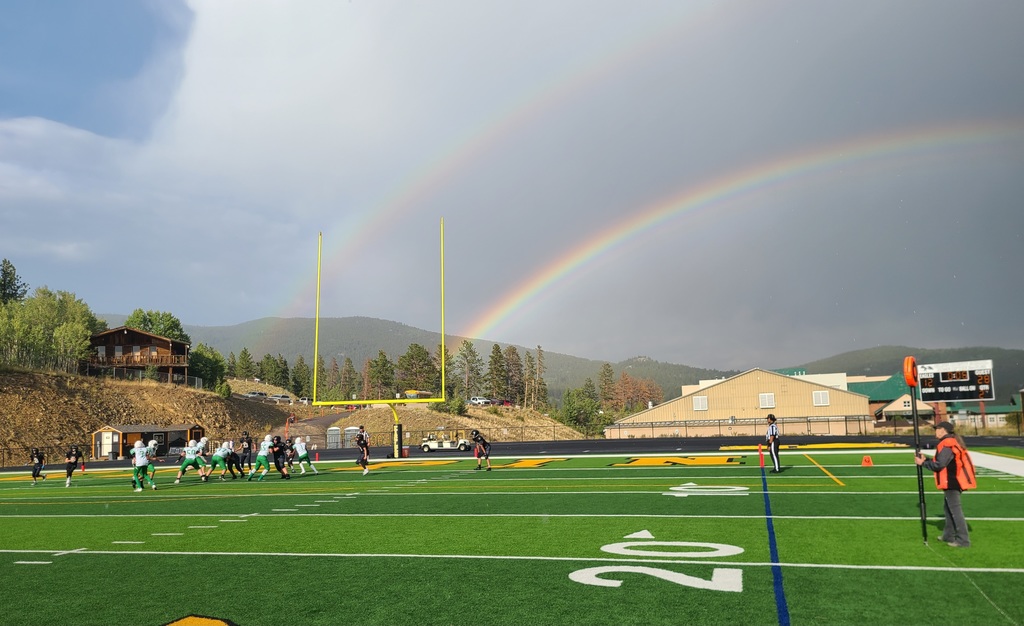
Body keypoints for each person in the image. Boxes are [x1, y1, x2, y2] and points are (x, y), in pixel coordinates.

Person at [915, 421, 976, 547]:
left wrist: (923, 463)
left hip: (952, 481)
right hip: (954, 480)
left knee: (955, 510)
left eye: (936, 429)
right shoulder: (951, 442)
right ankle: (948, 536)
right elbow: (943, 461)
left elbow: (939, 465)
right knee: (948, 509)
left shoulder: (947, 444)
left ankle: (963, 540)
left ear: (943, 430)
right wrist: (927, 460)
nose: (935, 432)